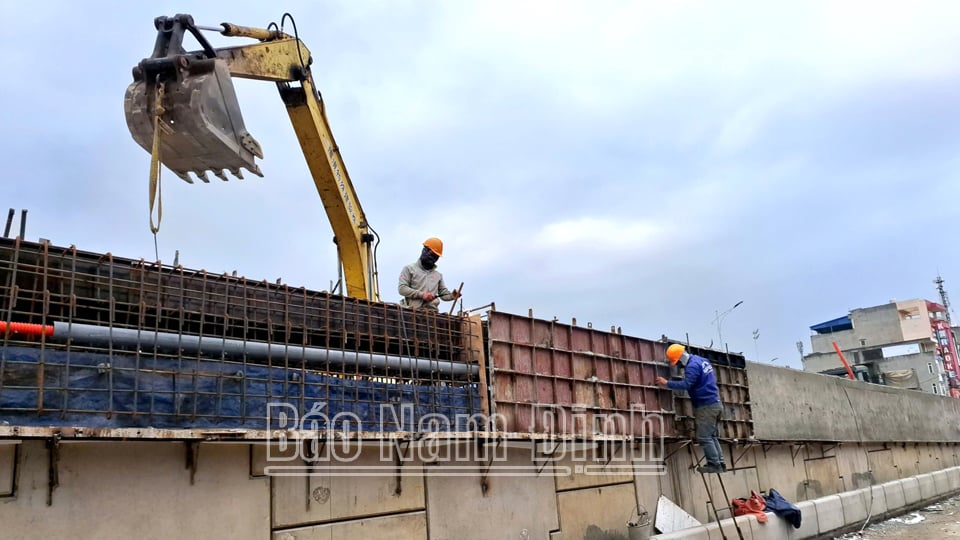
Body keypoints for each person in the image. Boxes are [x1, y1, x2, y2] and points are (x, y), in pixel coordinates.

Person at [656, 344, 727, 473]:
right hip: (716, 404)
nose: (679, 365)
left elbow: (687, 384)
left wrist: (667, 383)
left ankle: (714, 464)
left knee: (704, 437)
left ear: (681, 358)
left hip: (706, 406)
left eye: (677, 362)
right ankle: (720, 463)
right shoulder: (701, 360)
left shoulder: (692, 367)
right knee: (712, 436)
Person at [398, 237, 460, 311]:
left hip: (432, 315)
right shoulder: (409, 269)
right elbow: (402, 289)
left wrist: (452, 295)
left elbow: (443, 294)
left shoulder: (438, 275)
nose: (433, 259)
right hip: (412, 313)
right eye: (432, 254)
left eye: (436, 257)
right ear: (424, 251)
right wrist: (422, 295)